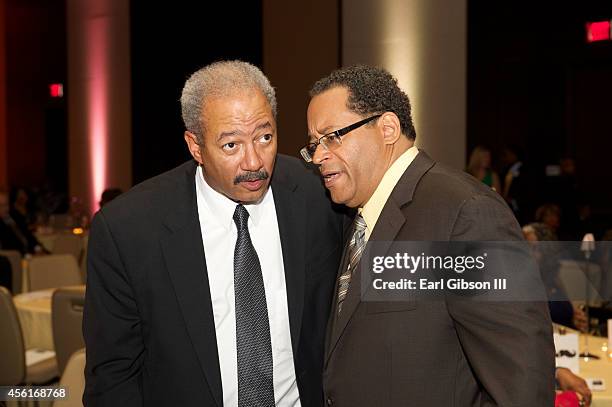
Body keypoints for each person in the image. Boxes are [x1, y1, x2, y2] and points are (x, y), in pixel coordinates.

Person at [83, 61, 346, 406]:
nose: (254, 162)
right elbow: (113, 378)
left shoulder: (319, 197)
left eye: (265, 137)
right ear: (195, 146)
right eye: (231, 146)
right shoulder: (129, 230)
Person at [303, 65, 555, 406]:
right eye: (314, 144)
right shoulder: (356, 220)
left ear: (388, 128)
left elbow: (522, 382)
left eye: (332, 137)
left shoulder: (464, 213)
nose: (318, 156)